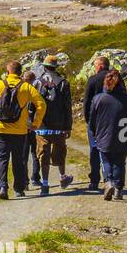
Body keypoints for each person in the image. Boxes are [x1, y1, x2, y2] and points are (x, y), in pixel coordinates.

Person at [0, 61, 47, 200]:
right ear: (20, 72)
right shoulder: (26, 87)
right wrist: (35, 123)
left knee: (1, 157)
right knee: (19, 159)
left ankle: (3, 186)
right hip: (19, 131)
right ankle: (19, 188)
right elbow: (41, 104)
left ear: (7, 72)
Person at [89, 68, 127, 200]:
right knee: (120, 162)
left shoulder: (98, 99)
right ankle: (118, 189)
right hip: (125, 134)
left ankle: (109, 181)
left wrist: (94, 134)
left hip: (104, 134)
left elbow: (92, 121)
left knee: (106, 161)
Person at [32, 54, 75, 194]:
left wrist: (33, 123)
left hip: (42, 126)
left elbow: (32, 105)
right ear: (56, 67)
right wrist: (68, 126)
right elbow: (67, 107)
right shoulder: (63, 83)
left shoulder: (37, 82)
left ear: (44, 66)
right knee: (60, 152)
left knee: (44, 154)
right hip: (59, 126)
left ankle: (45, 184)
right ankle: (63, 177)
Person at [81, 55, 110, 190]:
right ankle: (109, 178)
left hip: (96, 120)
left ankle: (94, 180)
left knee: (94, 149)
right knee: (110, 149)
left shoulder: (93, 80)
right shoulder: (117, 79)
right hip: (112, 120)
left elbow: (87, 101)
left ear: (98, 66)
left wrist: (88, 119)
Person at [22, 70, 43, 191]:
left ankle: (24, 182)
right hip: (35, 127)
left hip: (24, 127)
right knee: (35, 153)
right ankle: (36, 178)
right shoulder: (36, 92)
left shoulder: (21, 91)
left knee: (23, 155)